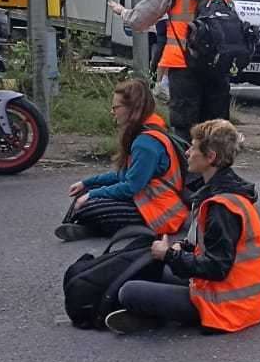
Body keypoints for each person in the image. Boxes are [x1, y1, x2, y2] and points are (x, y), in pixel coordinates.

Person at [104, 119, 260, 335]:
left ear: (211, 157)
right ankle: (156, 312)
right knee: (149, 270)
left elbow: (216, 268)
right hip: (241, 298)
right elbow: (213, 248)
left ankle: (158, 315)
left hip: (227, 307)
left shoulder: (221, 207)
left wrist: (170, 256)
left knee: (129, 291)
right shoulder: (228, 192)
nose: (187, 152)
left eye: (193, 148)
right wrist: (182, 248)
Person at [109, 0, 234, 136]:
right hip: (217, 65)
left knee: (185, 129)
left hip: (182, 64)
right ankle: (214, 167)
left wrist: (122, 12)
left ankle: (187, 167)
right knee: (216, 131)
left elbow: (140, 20)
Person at [57, 79, 188, 242]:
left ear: (132, 109)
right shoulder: (147, 131)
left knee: (91, 205)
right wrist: (87, 183)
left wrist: (92, 194)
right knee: (85, 194)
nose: (113, 112)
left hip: (161, 211)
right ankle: (83, 225)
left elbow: (131, 186)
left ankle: (88, 226)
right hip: (149, 198)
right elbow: (125, 175)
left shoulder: (145, 144)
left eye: (116, 107)